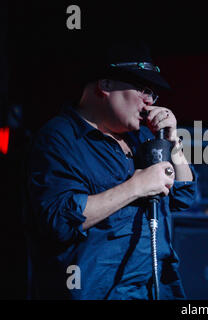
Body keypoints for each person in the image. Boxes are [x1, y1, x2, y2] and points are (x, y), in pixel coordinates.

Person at [25, 40, 197, 299]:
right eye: (142, 89)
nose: (149, 101)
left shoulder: (139, 139)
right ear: (105, 85)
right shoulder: (60, 138)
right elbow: (59, 219)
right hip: (99, 291)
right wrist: (135, 187)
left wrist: (173, 141)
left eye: (153, 94)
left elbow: (183, 195)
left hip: (156, 288)